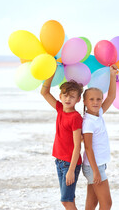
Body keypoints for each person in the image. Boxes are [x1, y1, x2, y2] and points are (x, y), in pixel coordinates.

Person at [41, 72, 84, 210]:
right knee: (69, 199)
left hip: (69, 164)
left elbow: (78, 146)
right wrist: (52, 72)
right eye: (65, 95)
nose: (68, 99)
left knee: (66, 201)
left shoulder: (75, 117)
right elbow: (44, 92)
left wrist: (71, 170)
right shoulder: (60, 109)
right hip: (59, 161)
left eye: (72, 96)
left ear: (78, 99)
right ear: (60, 96)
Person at [82, 65, 118, 210]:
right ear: (84, 102)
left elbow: (112, 96)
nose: (96, 102)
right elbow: (88, 148)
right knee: (107, 204)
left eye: (98, 99)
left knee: (92, 204)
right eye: (91, 99)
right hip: (93, 167)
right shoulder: (88, 122)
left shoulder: (99, 114)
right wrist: (96, 171)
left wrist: (112, 75)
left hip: (97, 165)